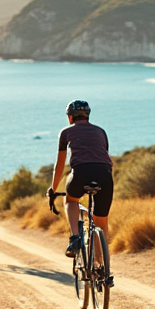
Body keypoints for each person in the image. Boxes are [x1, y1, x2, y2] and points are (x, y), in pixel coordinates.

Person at [47, 100, 114, 261]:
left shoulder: (66, 132)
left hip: (80, 174)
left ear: (70, 117)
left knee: (70, 200)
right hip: (104, 176)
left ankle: (75, 237)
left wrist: (53, 189)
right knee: (101, 224)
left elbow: (60, 165)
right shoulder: (101, 131)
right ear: (88, 115)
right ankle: (101, 268)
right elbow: (104, 156)